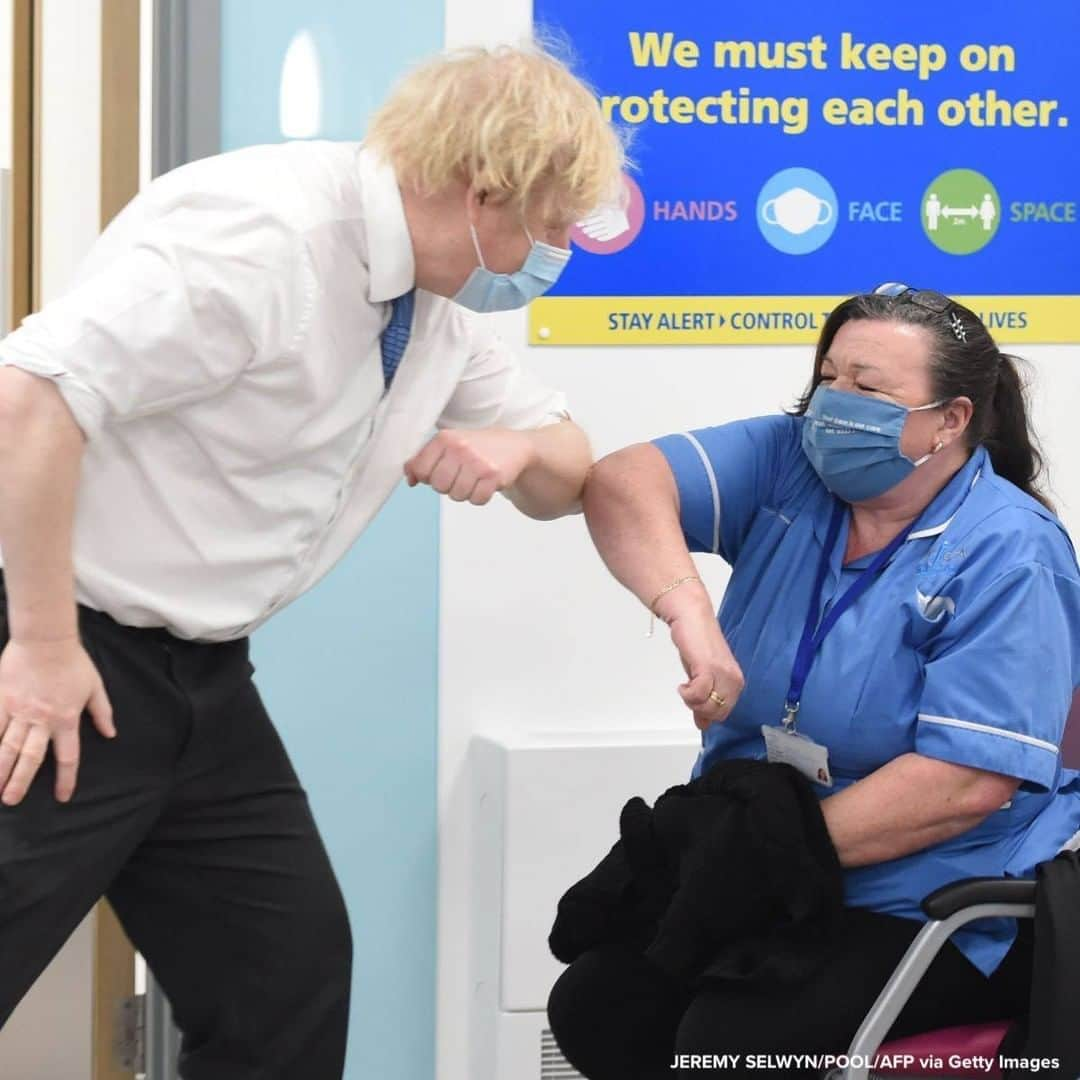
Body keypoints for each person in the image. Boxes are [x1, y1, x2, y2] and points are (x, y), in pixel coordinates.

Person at [0, 43, 623, 1079]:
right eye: (548, 229)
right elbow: (32, 397)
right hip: (62, 646)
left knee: (282, 982)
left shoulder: (436, 316)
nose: (551, 256)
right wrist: (42, 643)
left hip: (201, 684)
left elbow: (567, 469)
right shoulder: (264, 236)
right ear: (484, 187)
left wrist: (514, 452)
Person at [549, 283, 1080, 1079]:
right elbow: (622, 481)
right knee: (600, 1007)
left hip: (938, 899)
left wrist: (764, 856)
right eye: (830, 376)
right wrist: (690, 615)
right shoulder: (791, 467)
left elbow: (967, 783)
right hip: (780, 880)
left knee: (731, 1046)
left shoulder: (1011, 551)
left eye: (869, 388)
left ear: (950, 419)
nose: (836, 403)